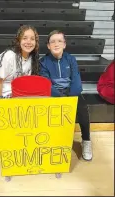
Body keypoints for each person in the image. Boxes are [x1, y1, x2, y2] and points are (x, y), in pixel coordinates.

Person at [0, 25, 39, 164]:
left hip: (10, 90)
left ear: (36, 43)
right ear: (18, 40)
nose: (28, 41)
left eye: (32, 39)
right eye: (25, 38)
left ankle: (10, 141)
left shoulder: (32, 60)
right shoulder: (10, 55)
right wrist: (0, 102)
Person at [39, 30, 92, 161]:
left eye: (59, 41)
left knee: (83, 110)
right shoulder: (43, 62)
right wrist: (60, 97)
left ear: (64, 44)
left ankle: (86, 141)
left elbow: (76, 81)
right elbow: (46, 84)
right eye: (52, 41)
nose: (56, 44)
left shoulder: (71, 59)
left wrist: (70, 97)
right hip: (54, 94)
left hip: (71, 92)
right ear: (48, 46)